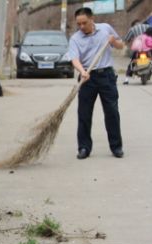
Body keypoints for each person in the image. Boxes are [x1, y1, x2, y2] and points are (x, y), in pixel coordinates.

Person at [68, 7, 124, 160]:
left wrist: (114, 41)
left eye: (84, 23)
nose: (81, 27)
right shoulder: (75, 39)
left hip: (106, 76)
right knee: (84, 114)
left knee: (112, 112)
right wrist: (82, 71)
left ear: (92, 19)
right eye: (78, 24)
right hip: (87, 78)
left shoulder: (106, 29)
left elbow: (121, 45)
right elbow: (74, 59)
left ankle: (116, 147)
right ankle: (84, 147)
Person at [122, 20, 149, 84]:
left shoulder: (132, 29)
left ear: (133, 25)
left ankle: (126, 79)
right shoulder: (148, 26)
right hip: (148, 48)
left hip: (138, 50)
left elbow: (126, 39)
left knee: (132, 62)